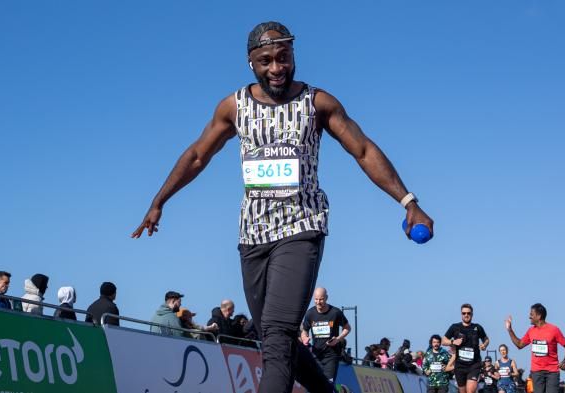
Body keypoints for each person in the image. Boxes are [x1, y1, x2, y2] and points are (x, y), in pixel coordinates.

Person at [130, 20, 434, 393]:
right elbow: (196, 155)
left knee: (276, 336)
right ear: (252, 64)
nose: (276, 68)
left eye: (283, 58)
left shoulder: (317, 102)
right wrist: (158, 202)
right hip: (253, 235)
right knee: (279, 339)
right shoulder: (234, 106)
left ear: (293, 55)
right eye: (266, 61)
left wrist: (408, 201)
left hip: (301, 227)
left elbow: (364, 149)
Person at [505, 303, 565, 393]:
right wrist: (509, 329)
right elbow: (519, 345)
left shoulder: (554, 330)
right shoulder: (531, 331)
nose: (529, 316)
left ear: (539, 316)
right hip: (536, 372)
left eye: (532, 314)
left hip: (552, 372)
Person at [300, 287, 351, 382]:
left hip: (331, 356)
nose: (318, 302)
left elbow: (347, 328)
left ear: (326, 298)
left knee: (327, 385)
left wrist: (338, 339)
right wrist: (304, 338)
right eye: (316, 299)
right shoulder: (310, 313)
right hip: (315, 355)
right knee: (314, 386)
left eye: (321, 299)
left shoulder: (335, 312)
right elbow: (304, 330)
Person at [444, 304, 490, 393]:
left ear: (472, 314)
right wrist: (453, 342)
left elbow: (486, 339)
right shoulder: (455, 327)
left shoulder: (477, 327)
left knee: (470, 391)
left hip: (474, 365)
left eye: (468, 313)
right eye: (464, 313)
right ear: (461, 314)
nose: (466, 315)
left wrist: (484, 345)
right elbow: (443, 340)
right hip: (460, 366)